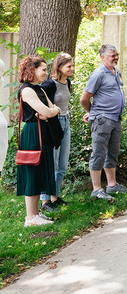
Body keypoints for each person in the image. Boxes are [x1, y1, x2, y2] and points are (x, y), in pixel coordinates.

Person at [81, 44, 127, 201]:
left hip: (116, 118)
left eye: (116, 54)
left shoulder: (116, 72)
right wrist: (92, 113)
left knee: (112, 152)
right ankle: (96, 189)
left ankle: (112, 185)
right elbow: (84, 98)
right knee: (99, 153)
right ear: (103, 57)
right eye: (112, 55)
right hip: (102, 119)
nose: (115, 57)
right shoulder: (98, 74)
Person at [16, 55, 60, 226]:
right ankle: (30, 218)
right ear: (32, 70)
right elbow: (49, 111)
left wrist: (51, 112)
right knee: (32, 172)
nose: (46, 73)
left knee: (39, 171)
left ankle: (35, 214)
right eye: (43, 69)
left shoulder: (39, 89)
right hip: (33, 132)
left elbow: (54, 109)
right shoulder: (26, 90)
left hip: (42, 133)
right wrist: (50, 112)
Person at [40, 53, 75, 211]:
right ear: (59, 67)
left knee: (62, 165)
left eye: (72, 65)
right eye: (69, 66)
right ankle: (44, 201)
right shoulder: (49, 85)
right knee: (51, 163)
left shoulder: (67, 83)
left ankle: (54, 197)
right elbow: (41, 107)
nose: (72, 69)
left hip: (66, 122)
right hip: (53, 124)